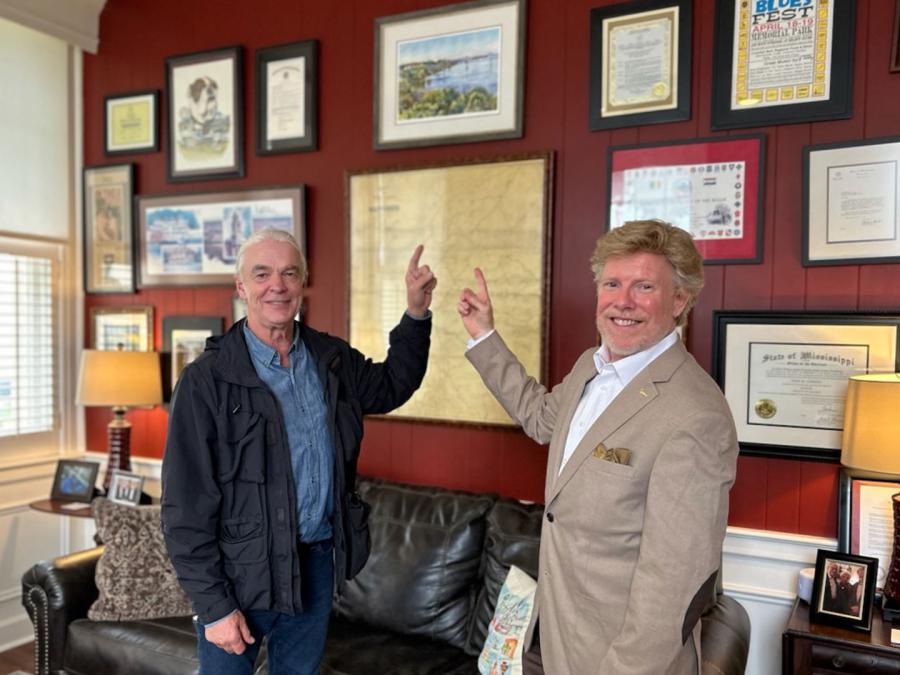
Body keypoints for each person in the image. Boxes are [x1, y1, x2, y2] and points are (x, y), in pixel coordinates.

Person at [458, 219, 739, 674]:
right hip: (555, 634)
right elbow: (540, 416)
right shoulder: (592, 364)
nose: (622, 301)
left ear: (680, 300)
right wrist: (484, 335)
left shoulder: (697, 416)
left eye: (644, 286)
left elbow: (673, 586)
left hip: (619, 658)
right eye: (612, 283)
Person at [161, 228, 436, 675]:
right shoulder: (205, 382)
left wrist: (416, 313)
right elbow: (183, 508)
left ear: (303, 283)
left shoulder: (330, 359)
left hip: (314, 566)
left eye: (290, 273)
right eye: (262, 274)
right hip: (239, 577)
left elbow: (391, 386)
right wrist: (213, 606)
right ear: (242, 287)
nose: (278, 285)